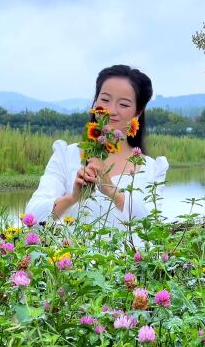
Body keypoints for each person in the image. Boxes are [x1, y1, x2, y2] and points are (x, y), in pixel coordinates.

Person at [25, 65, 169, 236]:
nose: (111, 110)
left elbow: (152, 230)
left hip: (126, 262)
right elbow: (31, 218)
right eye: (105, 100)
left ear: (138, 113)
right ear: (95, 102)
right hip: (68, 259)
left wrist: (111, 190)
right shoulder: (66, 155)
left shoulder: (152, 168)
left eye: (123, 104)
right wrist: (73, 198)